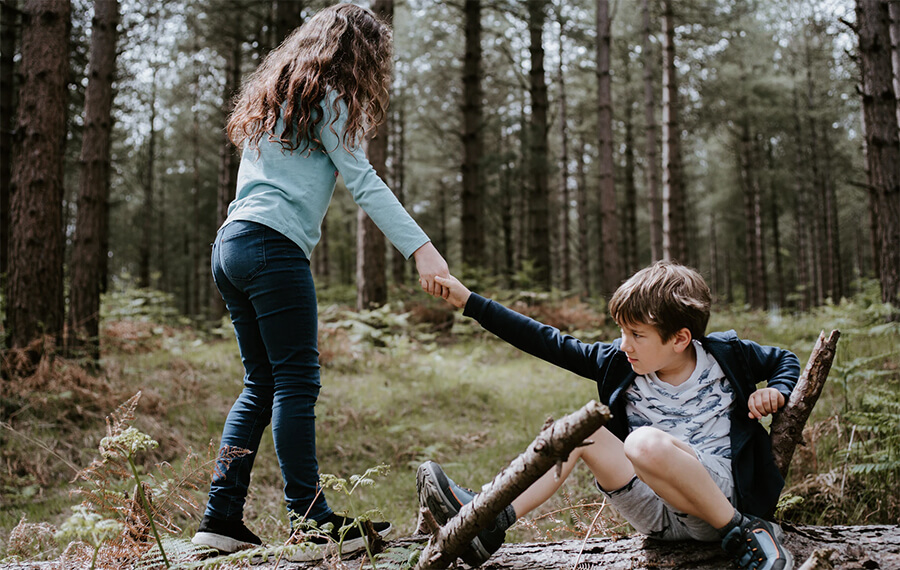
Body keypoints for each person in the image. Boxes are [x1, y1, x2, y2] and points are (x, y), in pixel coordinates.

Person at [191, 4, 449, 562]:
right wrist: (422, 250)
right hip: (271, 247)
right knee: (295, 383)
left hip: (230, 245)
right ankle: (310, 525)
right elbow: (364, 181)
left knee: (261, 383)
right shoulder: (330, 97)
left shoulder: (275, 99)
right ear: (357, 54)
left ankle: (220, 519)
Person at [417, 261, 798, 570]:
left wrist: (775, 390)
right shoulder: (619, 362)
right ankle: (489, 520)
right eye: (622, 331)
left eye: (637, 335)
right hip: (655, 512)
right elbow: (545, 341)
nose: (624, 344)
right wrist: (469, 301)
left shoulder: (726, 355)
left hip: (717, 500)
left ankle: (745, 531)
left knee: (642, 443)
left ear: (680, 339)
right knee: (580, 431)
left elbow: (785, 360)